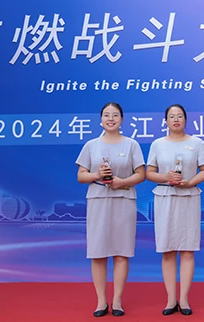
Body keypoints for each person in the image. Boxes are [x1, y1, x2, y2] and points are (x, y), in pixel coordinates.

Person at [76, 102, 146, 318]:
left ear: (122, 119)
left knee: (121, 252)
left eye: (115, 115)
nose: (111, 119)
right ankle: (101, 300)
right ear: (101, 120)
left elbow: (141, 174)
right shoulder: (91, 145)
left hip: (123, 199)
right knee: (98, 252)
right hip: (98, 199)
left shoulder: (131, 144)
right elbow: (81, 176)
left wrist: (121, 181)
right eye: (106, 115)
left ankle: (117, 300)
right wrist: (97, 175)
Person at [146, 104, 204, 316]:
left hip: (189, 197)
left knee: (187, 249)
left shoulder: (197, 143)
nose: (176, 119)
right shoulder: (158, 144)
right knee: (167, 249)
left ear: (185, 119)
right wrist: (166, 177)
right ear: (165, 121)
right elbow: (149, 172)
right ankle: (170, 299)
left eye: (180, 116)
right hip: (165, 197)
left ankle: (184, 299)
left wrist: (191, 182)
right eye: (172, 116)